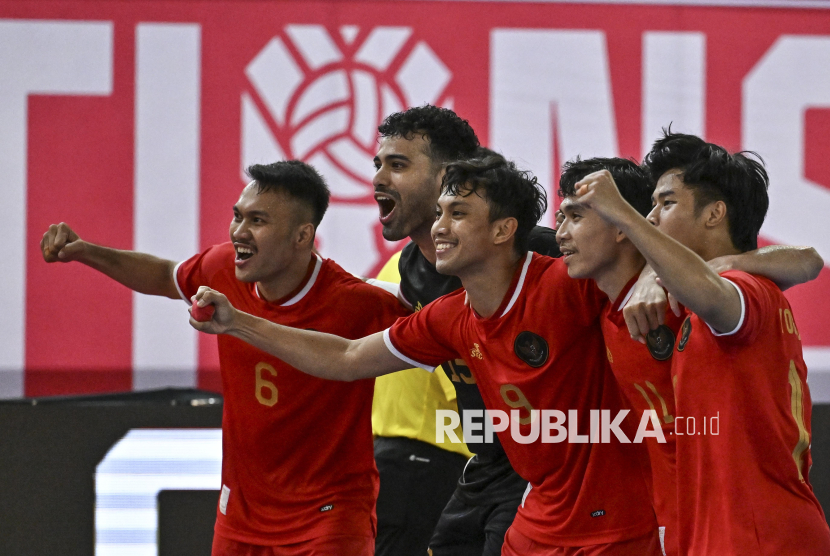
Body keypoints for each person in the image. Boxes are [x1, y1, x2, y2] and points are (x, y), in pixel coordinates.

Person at [190, 156, 662, 555]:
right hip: (537, 519)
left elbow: (700, 277)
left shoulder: (567, 285)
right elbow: (349, 358)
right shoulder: (448, 317)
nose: (438, 226)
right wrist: (237, 323)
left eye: (457, 213)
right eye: (439, 212)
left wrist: (652, 275)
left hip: (619, 521)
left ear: (504, 230)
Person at [41, 161, 408, 556]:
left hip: (330, 515)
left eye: (258, 220)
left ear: (302, 236)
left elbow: (447, 327)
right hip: (241, 517)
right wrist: (86, 252)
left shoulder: (359, 304)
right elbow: (167, 276)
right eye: (238, 216)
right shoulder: (221, 270)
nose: (239, 232)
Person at [570, 132, 830, 555]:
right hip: (722, 532)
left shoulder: (746, 288)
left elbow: (794, 265)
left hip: (761, 535)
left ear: (715, 214)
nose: (652, 217)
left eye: (666, 204)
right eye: (650, 207)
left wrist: (623, 215)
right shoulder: (700, 299)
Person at [372, 106, 560, 556]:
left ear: (447, 178)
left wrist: (651, 276)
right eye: (378, 164)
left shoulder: (535, 252)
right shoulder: (411, 271)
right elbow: (346, 358)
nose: (379, 178)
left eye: (397, 165)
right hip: (485, 463)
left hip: (552, 466)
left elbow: (628, 275)